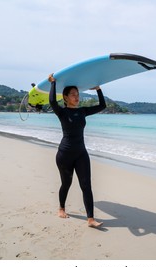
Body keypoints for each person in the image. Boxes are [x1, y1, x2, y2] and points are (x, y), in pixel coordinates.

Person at [48, 73, 106, 228]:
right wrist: (53, 83)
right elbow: (52, 101)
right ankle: (61, 208)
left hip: (81, 153)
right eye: (73, 94)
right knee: (66, 183)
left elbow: (102, 106)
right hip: (65, 154)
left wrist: (98, 89)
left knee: (86, 185)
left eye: (77, 94)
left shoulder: (82, 111)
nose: (76, 96)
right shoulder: (62, 112)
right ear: (65, 97)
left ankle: (91, 219)